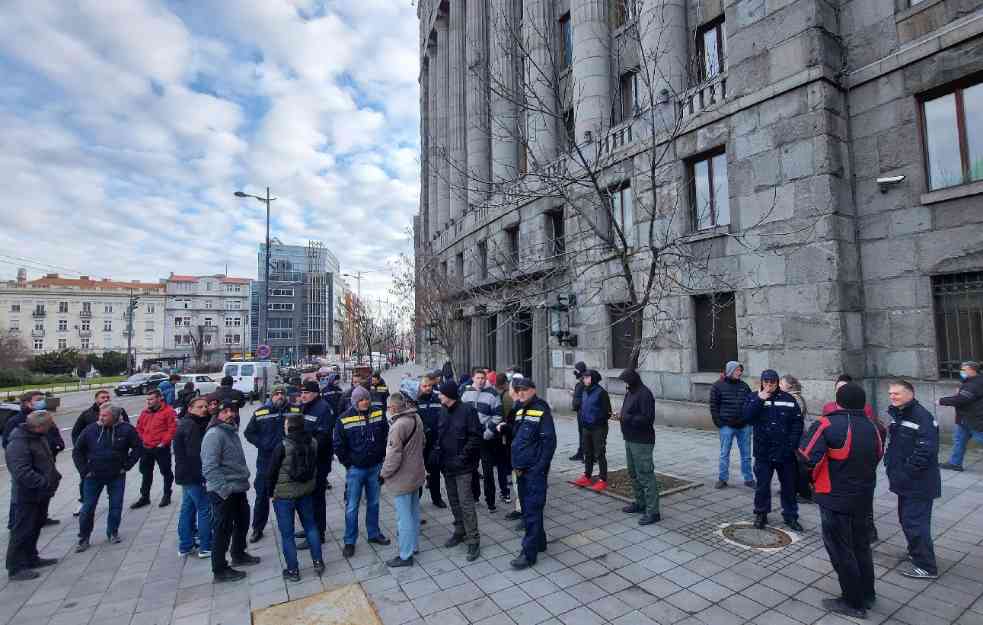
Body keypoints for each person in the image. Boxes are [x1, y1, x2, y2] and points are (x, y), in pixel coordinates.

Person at [799, 383, 883, 619]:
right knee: (861, 547)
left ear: (838, 401)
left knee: (840, 550)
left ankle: (852, 601)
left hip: (834, 497)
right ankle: (867, 594)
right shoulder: (875, 427)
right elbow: (878, 456)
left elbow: (806, 457)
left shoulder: (827, 424)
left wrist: (807, 484)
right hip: (864, 497)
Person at [884, 379, 941, 579]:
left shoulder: (921, 416)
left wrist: (907, 472)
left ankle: (926, 566)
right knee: (906, 519)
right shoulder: (898, 414)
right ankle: (916, 552)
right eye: (890, 393)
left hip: (918, 482)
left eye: (896, 394)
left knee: (915, 522)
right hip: (905, 481)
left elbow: (926, 450)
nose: (892, 397)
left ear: (910, 394)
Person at [201, 400, 260, 583]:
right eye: (225, 411)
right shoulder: (214, 435)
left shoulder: (230, 431)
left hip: (237, 488)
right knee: (223, 530)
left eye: (232, 411)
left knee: (242, 522)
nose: (230, 414)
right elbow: (209, 468)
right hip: (224, 491)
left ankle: (238, 553)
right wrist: (224, 490)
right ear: (217, 415)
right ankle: (219, 569)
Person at [821, 374, 885, 540]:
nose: (840, 391)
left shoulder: (865, 409)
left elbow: (874, 435)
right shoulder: (829, 407)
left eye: (844, 388)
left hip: (860, 461)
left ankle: (869, 527)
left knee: (864, 497)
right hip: (838, 463)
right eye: (838, 388)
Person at [73, 403, 141, 552]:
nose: (101, 418)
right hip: (93, 476)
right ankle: (83, 538)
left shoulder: (127, 430)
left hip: (116, 475)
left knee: (116, 505)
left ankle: (113, 532)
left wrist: (127, 465)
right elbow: (77, 451)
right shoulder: (90, 430)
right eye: (100, 415)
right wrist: (84, 471)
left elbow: (137, 447)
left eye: (105, 415)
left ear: (115, 417)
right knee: (88, 507)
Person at [333, 385, 391, 558]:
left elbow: (386, 435)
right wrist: (349, 464)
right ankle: (350, 541)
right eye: (360, 400)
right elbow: (338, 445)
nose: (364, 402)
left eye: (366, 399)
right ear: (354, 402)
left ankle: (373, 534)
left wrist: (382, 458)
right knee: (352, 507)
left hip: (375, 467)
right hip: (356, 470)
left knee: (374, 503)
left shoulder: (378, 413)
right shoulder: (343, 419)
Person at [744, 369, 804, 531]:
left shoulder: (788, 399)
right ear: (761, 382)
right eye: (766, 382)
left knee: (789, 487)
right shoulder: (753, 397)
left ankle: (790, 516)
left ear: (777, 383)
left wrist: (791, 445)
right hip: (763, 452)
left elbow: (797, 424)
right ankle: (761, 514)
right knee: (762, 486)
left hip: (785, 453)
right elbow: (747, 417)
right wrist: (759, 399)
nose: (769, 386)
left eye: (772, 383)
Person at [267, 414, 324, 582]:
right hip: (306, 492)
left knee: (287, 534)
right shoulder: (313, 442)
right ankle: (318, 562)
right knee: (311, 527)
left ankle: (293, 570)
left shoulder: (282, 446)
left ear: (289, 427)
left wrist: (271, 493)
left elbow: (271, 473)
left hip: (284, 497)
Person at [5, 411, 60, 580]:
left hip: (41, 494)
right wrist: (43, 482)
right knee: (22, 530)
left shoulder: (38, 436)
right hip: (26, 495)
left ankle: (31, 557)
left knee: (35, 527)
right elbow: (21, 471)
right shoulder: (18, 442)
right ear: (39, 426)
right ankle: (15, 568)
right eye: (49, 425)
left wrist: (54, 477)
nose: (51, 427)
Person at [431, 380, 482, 562]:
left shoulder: (468, 411)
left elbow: (476, 437)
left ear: (450, 395)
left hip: (463, 467)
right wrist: (437, 451)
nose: (439, 396)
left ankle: (473, 539)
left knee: (466, 502)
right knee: (453, 500)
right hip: (447, 466)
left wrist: (462, 458)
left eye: (441, 394)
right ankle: (460, 530)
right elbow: (440, 434)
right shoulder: (443, 410)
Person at [509, 377, 556, 570]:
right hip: (522, 469)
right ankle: (540, 542)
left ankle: (528, 554)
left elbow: (549, 442)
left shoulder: (541, 410)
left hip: (533, 471)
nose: (520, 393)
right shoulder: (520, 410)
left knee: (530, 511)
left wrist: (540, 467)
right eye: (518, 390)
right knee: (532, 509)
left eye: (524, 390)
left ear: (533, 390)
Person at [244, 386, 301, 542]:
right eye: (276, 394)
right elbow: (249, 433)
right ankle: (257, 528)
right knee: (262, 494)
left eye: (282, 393)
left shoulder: (295, 410)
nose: (280, 396)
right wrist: (263, 443)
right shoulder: (261, 412)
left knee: (296, 493)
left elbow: (304, 429)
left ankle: (300, 526)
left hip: (290, 459)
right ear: (271, 396)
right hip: (266, 461)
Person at [4, 392, 66, 525]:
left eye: (42, 399)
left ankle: (41, 518)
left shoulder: (45, 418)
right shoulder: (15, 421)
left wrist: (57, 446)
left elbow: (55, 436)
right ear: (27, 403)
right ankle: (14, 521)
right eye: (38, 400)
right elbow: (7, 444)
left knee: (44, 492)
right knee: (20, 494)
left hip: (46, 461)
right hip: (28, 465)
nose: (42, 402)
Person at [380, 393, 426, 567]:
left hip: (402, 478)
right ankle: (414, 547)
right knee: (414, 512)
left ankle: (405, 555)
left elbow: (393, 456)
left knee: (403, 517)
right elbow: (423, 442)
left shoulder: (398, 426)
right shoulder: (416, 418)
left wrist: (383, 474)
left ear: (392, 408)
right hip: (416, 473)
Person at [71, 389, 128, 516]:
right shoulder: (87, 414)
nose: (106, 399)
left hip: (114, 459)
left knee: (114, 487)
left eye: (108, 397)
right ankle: (83, 501)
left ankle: (111, 498)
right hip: (92, 459)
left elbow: (128, 430)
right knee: (86, 481)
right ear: (96, 399)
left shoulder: (119, 411)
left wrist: (124, 457)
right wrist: (82, 449)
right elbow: (76, 433)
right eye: (103, 397)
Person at [617, 369, 661, 525]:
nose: (625, 385)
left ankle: (653, 511)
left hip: (642, 441)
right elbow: (628, 411)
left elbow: (647, 418)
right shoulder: (630, 392)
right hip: (629, 438)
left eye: (626, 382)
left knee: (645, 474)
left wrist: (626, 417)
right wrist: (621, 416)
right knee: (633, 473)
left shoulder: (644, 394)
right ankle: (640, 503)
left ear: (633, 380)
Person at [461, 367, 508, 511]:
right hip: (471, 436)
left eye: (483, 378)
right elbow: (462, 412)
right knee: (472, 468)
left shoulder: (493, 394)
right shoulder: (466, 393)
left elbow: (498, 414)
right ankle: (475, 495)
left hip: (486, 437)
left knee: (487, 471)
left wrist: (489, 430)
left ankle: (490, 501)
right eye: (478, 378)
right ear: (473, 378)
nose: (481, 381)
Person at [173, 397, 213, 559]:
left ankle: (185, 545)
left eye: (205, 406)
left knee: (187, 508)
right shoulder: (191, 426)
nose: (204, 409)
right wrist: (202, 476)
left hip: (184, 473)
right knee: (204, 509)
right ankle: (205, 546)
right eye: (199, 407)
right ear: (190, 409)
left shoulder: (187, 422)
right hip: (193, 474)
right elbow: (195, 454)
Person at [300, 380, 336, 541]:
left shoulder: (323, 409)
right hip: (307, 461)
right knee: (307, 498)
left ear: (315, 393)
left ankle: (318, 533)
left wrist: (303, 448)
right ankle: (310, 527)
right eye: (302, 393)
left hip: (319, 461)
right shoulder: (305, 406)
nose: (302, 396)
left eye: (306, 393)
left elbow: (323, 438)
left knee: (316, 499)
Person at [710, 361, 754, 489]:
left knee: (746, 454)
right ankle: (722, 479)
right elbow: (714, 406)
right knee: (724, 453)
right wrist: (719, 423)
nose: (739, 373)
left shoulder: (744, 386)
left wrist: (748, 420)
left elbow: (750, 403)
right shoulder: (717, 386)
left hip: (744, 426)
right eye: (737, 370)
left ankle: (748, 478)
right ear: (730, 371)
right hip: (726, 426)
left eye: (740, 370)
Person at [131, 389, 177, 509]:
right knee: (145, 473)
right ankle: (145, 497)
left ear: (159, 398)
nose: (149, 401)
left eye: (151, 399)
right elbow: (139, 428)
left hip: (161, 448)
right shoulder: (145, 412)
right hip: (146, 448)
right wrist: (143, 439)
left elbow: (172, 429)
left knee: (166, 472)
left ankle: (167, 494)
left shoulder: (168, 411)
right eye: (148, 399)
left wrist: (163, 442)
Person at [939, 361, 983, 471]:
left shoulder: (974, 384)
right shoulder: (971, 381)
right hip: (964, 418)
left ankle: (955, 463)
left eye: (964, 370)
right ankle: (955, 463)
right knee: (959, 440)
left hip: (973, 419)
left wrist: (941, 401)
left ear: (972, 370)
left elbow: (961, 399)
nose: (961, 372)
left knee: (979, 438)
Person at [573, 370, 611, 491]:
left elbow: (607, 412)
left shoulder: (601, 393)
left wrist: (596, 420)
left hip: (598, 428)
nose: (584, 379)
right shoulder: (584, 391)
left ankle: (602, 479)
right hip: (586, 427)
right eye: (584, 377)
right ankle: (587, 475)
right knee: (587, 452)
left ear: (593, 378)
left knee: (599, 453)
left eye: (587, 377)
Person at [417, 375, 446, 508]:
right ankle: (416, 500)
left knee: (434, 472)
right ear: (420, 387)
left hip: (435, 442)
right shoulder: (416, 401)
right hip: (421, 444)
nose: (427, 388)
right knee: (419, 473)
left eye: (429, 385)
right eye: (424, 386)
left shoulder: (438, 400)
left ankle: (436, 498)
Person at [496, 373, 522, 521]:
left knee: (520, 482)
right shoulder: (517, 405)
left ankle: (524, 512)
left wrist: (505, 428)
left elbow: (517, 429)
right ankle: (520, 508)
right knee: (517, 481)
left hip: (519, 452)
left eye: (511, 388)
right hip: (515, 450)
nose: (509, 390)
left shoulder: (519, 406)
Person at [569, 362, 587, 461]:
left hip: (585, 412)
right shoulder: (580, 381)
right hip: (580, 411)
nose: (574, 372)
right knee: (581, 433)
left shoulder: (585, 380)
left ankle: (588, 454)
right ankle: (581, 452)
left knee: (586, 433)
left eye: (576, 370)